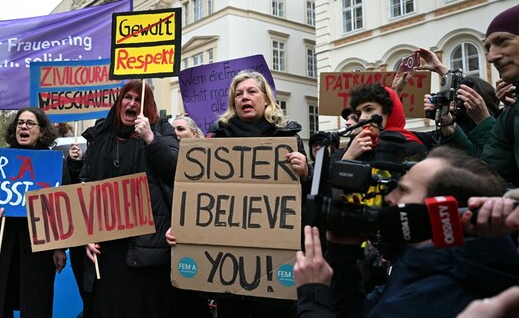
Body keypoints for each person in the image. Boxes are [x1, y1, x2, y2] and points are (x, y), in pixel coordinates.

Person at [295, 146, 519, 318]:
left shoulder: (432, 297)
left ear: (441, 210)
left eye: (404, 191)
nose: (390, 198)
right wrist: (343, 253)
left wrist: (313, 295)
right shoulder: (417, 261)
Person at [168, 70, 309, 318]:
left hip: (274, 275)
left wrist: (306, 173)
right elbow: (203, 198)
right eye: (239, 94)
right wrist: (183, 228)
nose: (245, 97)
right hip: (228, 278)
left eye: (252, 91)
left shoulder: (288, 138)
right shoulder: (218, 139)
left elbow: (302, 205)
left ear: (266, 98)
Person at [81, 80, 179, 318]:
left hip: (145, 248)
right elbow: (85, 187)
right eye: (128, 97)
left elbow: (176, 169)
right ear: (119, 102)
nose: (132, 103)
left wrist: (150, 138)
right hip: (106, 248)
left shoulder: (162, 131)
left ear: (148, 107)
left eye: (138, 99)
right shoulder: (101, 136)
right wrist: (85, 234)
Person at [0, 108, 69, 318]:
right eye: (20, 123)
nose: (23, 127)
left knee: (35, 304)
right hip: (2, 243)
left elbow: (63, 210)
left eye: (30, 123)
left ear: (42, 131)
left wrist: (60, 248)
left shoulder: (54, 162)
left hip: (38, 250)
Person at [479, 4, 519, 187]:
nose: (491, 57)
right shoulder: (511, 114)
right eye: (488, 48)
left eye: (503, 41)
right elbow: (490, 177)